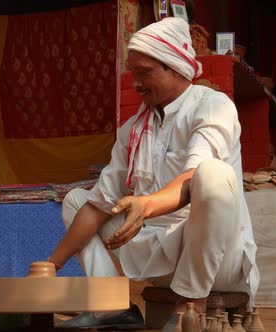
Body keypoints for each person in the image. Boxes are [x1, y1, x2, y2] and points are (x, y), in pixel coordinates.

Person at [49, 17, 259, 330]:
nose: (136, 83)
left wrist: (145, 205)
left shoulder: (213, 107)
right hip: (158, 258)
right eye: (134, 73)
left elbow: (192, 177)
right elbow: (99, 205)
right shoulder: (132, 130)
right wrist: (50, 266)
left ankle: (191, 303)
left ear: (175, 67)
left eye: (144, 73)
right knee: (79, 200)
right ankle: (112, 307)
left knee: (211, 174)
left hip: (216, 259)